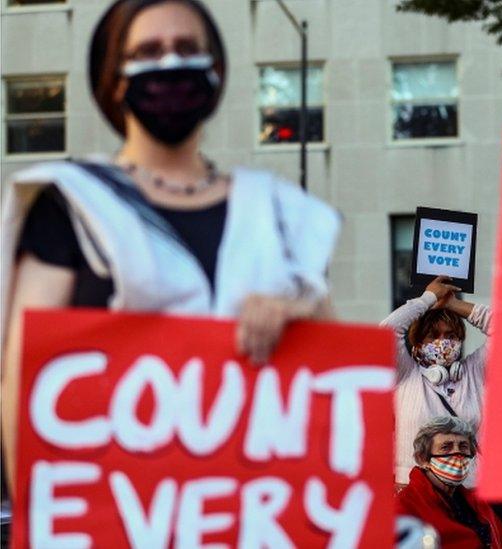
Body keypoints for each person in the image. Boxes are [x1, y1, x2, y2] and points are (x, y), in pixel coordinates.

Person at [0, 0, 341, 494]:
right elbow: (24, 386)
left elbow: (339, 374)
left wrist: (297, 309)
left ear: (216, 72)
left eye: (186, 49)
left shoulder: (279, 213)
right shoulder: (70, 203)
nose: (170, 64)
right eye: (148, 51)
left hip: (253, 509)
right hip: (115, 510)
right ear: (115, 79)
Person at [381, 276, 491, 489]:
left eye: (450, 335)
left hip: (469, 495)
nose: (443, 342)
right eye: (433, 336)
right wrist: (427, 299)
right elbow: (386, 331)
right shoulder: (405, 373)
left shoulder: (473, 372)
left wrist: (453, 304)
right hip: (414, 495)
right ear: (418, 341)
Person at [396, 416, 502, 549]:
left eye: (463, 447)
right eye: (446, 447)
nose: (457, 453)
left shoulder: (479, 503)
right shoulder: (405, 506)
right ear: (423, 459)